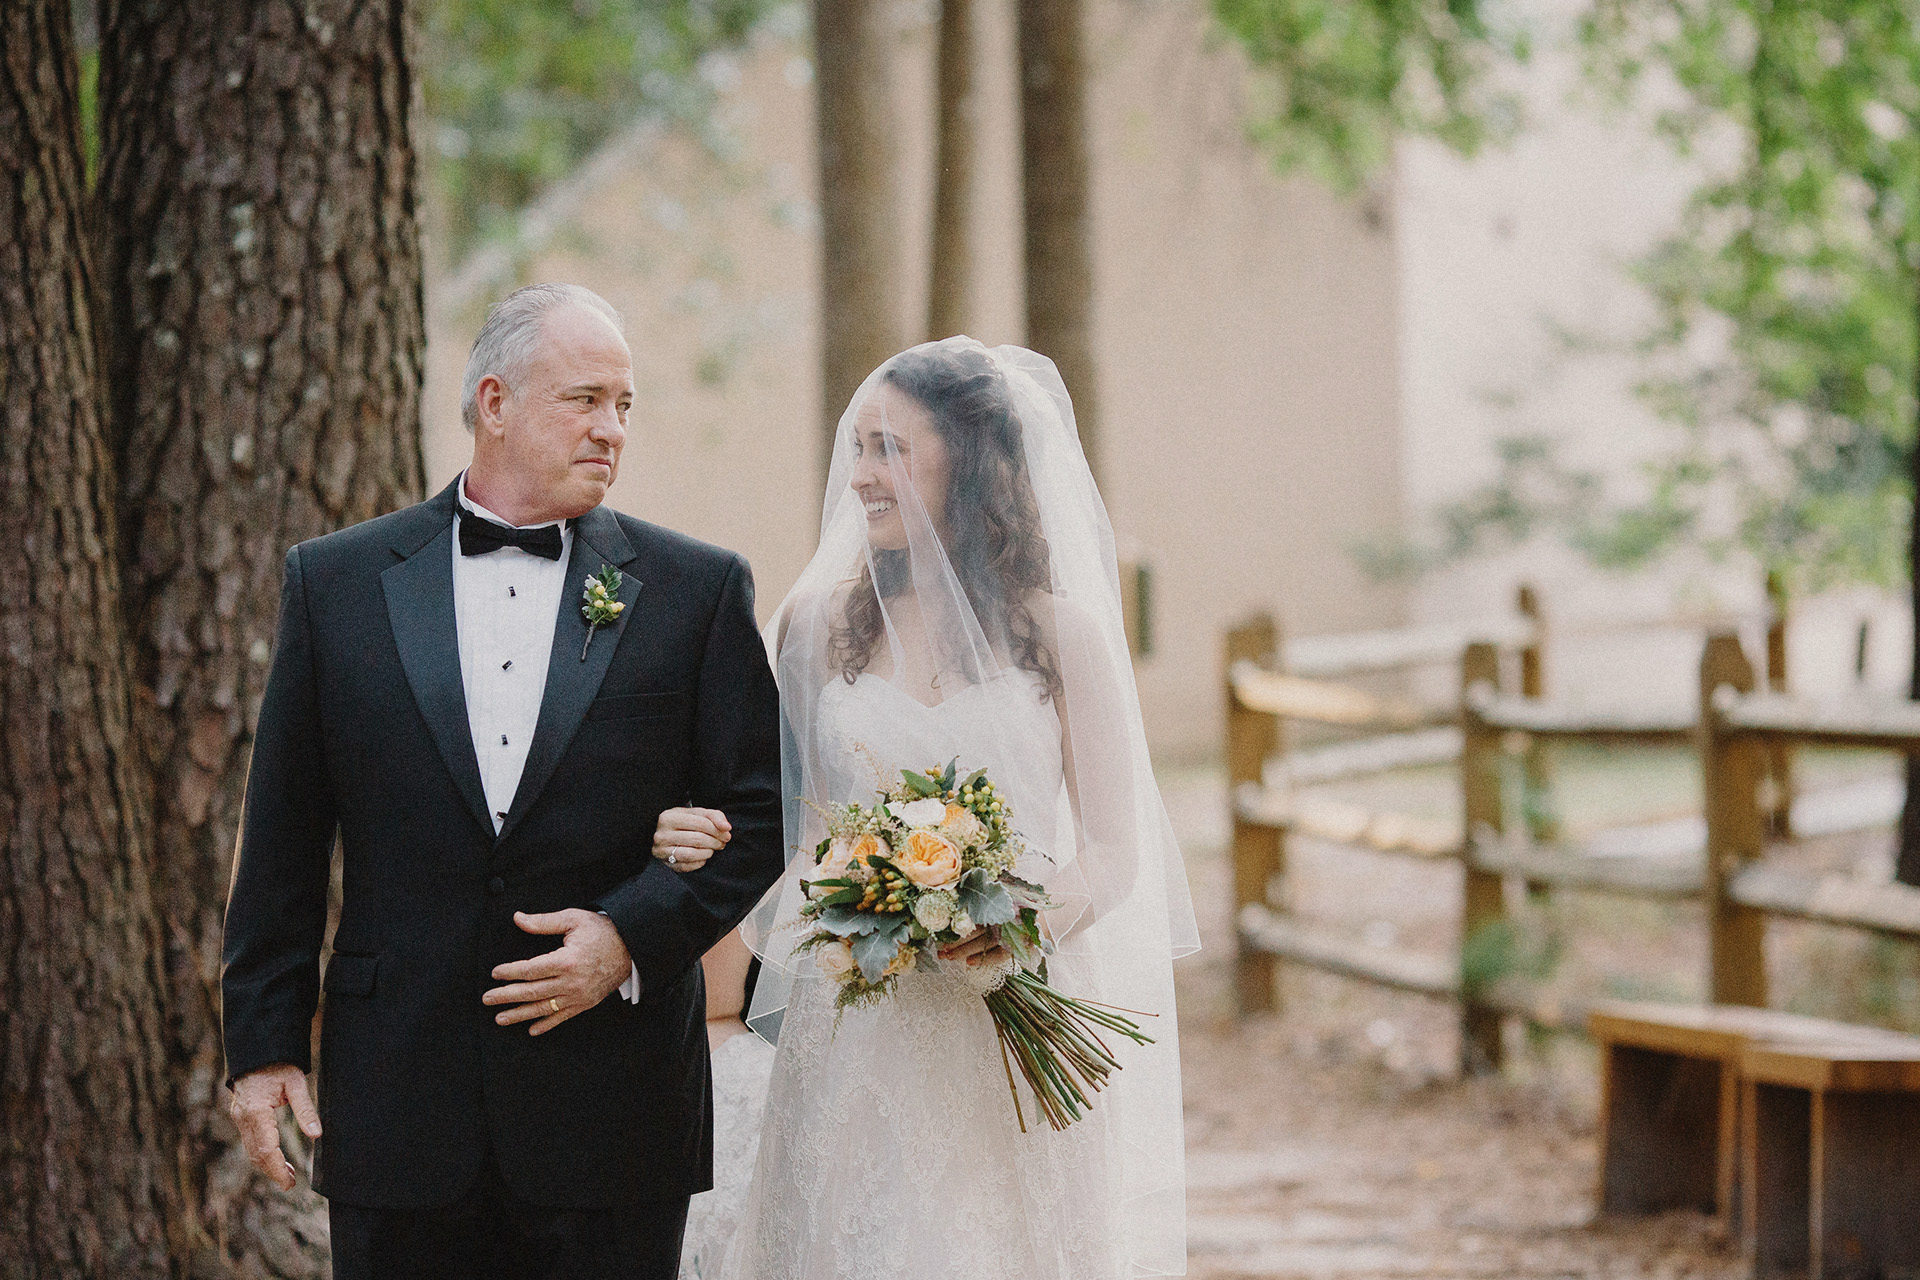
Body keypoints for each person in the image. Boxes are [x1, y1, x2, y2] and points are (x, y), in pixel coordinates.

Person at [219, 282, 785, 1280]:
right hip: (398, 1099)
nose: (612, 428)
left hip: (613, 1105)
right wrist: (263, 1046)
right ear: (493, 401)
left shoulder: (696, 591)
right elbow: (284, 835)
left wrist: (628, 936)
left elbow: (762, 806)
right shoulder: (336, 583)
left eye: (625, 404)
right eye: (584, 398)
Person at [654, 338, 1198, 1279]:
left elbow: (1113, 850)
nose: (861, 475)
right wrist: (702, 841)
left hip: (1008, 1020)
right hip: (856, 1014)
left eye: (889, 450)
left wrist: (1017, 923)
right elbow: (786, 821)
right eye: (857, 447)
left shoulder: (1060, 631)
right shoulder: (819, 625)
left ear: (971, 459)